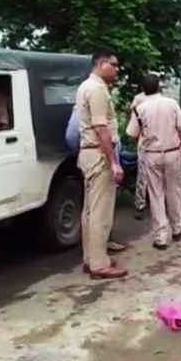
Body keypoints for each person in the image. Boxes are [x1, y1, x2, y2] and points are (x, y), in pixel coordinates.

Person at [126, 74, 181, 250]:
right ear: (159, 87)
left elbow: (132, 134)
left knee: (156, 195)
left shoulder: (140, 109)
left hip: (152, 154)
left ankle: (161, 237)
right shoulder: (171, 104)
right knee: (174, 191)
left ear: (143, 89)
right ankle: (177, 228)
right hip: (172, 153)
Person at [76, 50, 128, 279]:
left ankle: (91, 258)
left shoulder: (85, 86)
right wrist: (114, 162)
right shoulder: (97, 89)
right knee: (100, 212)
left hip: (88, 154)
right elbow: (101, 129)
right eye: (114, 65)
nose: (117, 70)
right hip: (98, 154)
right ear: (101, 63)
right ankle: (99, 264)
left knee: (89, 211)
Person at [65, 103, 126, 253]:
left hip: (98, 159)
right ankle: (98, 258)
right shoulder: (92, 102)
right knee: (98, 210)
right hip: (100, 160)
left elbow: (72, 137)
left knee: (98, 208)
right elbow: (72, 137)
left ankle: (98, 250)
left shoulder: (88, 104)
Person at [129, 91, 149, 220]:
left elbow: (133, 131)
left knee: (142, 176)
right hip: (162, 144)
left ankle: (140, 206)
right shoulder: (166, 102)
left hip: (145, 142)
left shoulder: (138, 101)